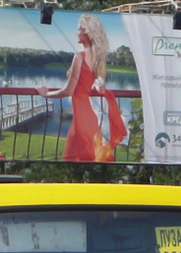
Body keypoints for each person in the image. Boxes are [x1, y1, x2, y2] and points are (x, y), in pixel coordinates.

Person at [36, 13, 127, 162]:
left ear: (87, 33)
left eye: (79, 29)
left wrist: (46, 94)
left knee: (78, 160)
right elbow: (100, 89)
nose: (76, 33)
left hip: (82, 119)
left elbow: (68, 90)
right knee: (89, 159)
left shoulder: (79, 57)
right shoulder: (98, 58)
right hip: (87, 117)